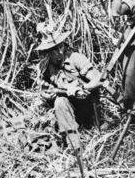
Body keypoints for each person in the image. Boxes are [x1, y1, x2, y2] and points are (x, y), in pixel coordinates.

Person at [35, 21, 102, 152]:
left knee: (61, 101)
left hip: (87, 105)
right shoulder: (47, 67)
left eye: (60, 47)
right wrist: (47, 94)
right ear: (47, 52)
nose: (59, 52)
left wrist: (83, 89)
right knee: (60, 101)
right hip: (69, 110)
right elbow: (44, 88)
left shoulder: (76, 58)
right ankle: (75, 147)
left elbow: (99, 80)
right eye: (54, 50)